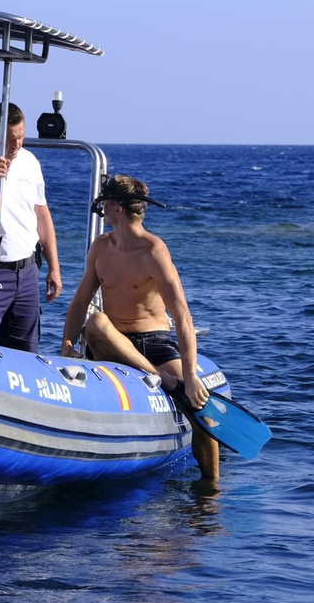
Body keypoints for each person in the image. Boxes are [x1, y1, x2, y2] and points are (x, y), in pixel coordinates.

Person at [59, 175, 217, 481]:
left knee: (203, 413)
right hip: (112, 343)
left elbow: (182, 315)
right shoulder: (101, 247)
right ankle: (162, 380)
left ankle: (210, 491)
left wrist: (191, 373)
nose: (102, 207)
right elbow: (80, 302)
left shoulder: (153, 251)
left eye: (105, 202)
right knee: (97, 321)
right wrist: (67, 344)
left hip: (154, 342)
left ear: (117, 208)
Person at [0, 102, 61, 352]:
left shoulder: (30, 161)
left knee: (27, 347)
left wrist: (54, 267)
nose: (17, 144)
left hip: (27, 270)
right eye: (11, 138)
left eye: (21, 136)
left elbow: (42, 214)